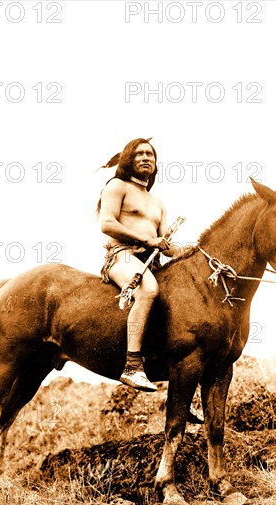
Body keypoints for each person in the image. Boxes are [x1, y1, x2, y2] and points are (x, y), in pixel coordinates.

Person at [97, 138, 180, 392]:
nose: (146, 158)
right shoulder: (117, 186)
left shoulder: (158, 204)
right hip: (121, 256)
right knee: (147, 290)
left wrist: (189, 250)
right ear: (129, 160)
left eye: (150, 154)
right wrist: (147, 239)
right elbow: (107, 224)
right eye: (139, 153)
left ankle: (177, 381)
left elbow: (167, 245)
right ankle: (132, 366)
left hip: (150, 263)